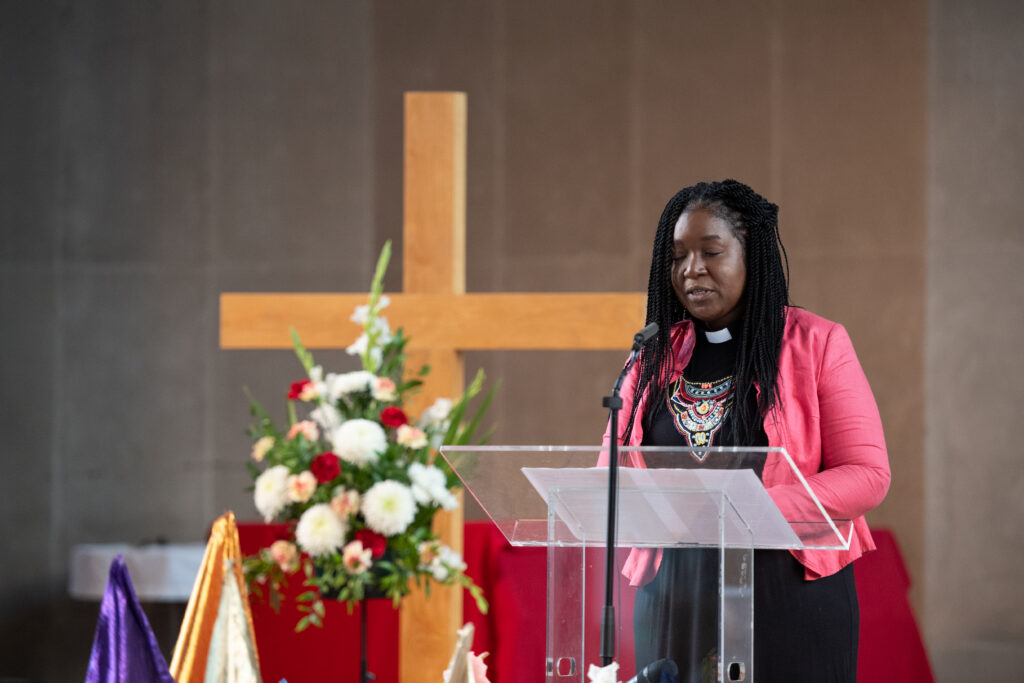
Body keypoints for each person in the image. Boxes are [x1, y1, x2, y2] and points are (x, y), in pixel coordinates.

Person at [601, 179, 890, 682]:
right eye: (677, 257)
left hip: (790, 596)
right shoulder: (652, 354)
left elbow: (867, 474)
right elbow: (609, 474)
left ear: (751, 256)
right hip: (673, 597)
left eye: (711, 252)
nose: (691, 270)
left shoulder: (817, 343)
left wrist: (744, 510)